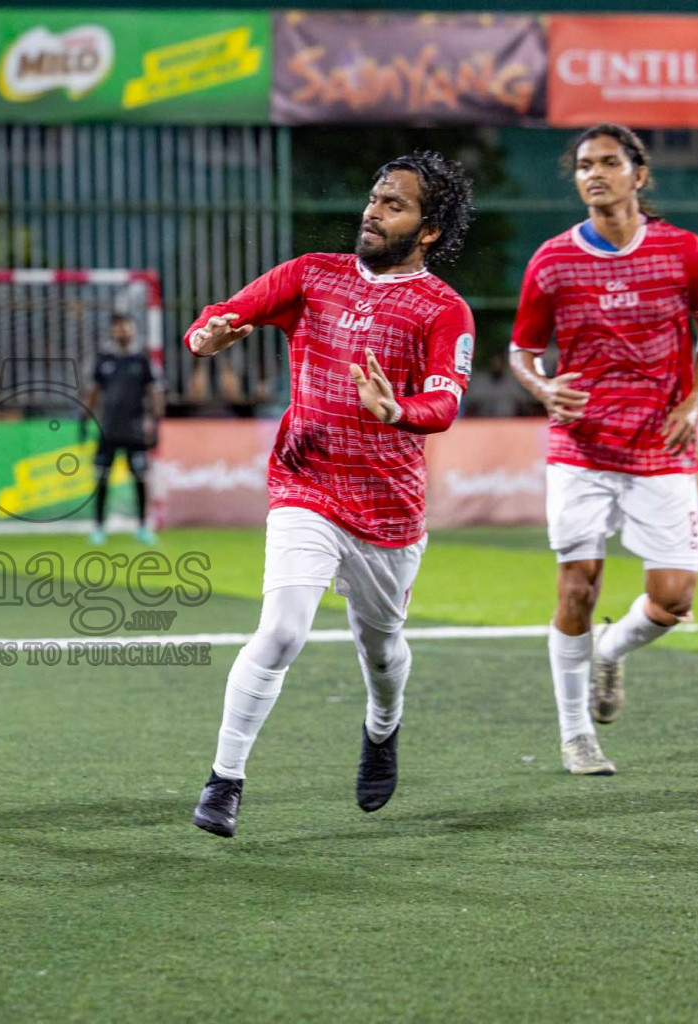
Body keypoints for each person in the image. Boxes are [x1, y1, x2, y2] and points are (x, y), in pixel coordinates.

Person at [186, 151, 476, 837]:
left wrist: (396, 411)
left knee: (380, 652)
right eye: (375, 197)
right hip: (305, 484)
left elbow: (443, 403)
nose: (374, 211)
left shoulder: (445, 310)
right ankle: (225, 780)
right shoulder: (313, 274)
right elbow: (218, 319)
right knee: (281, 630)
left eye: (395, 204)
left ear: (429, 229)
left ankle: (382, 726)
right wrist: (209, 336)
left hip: (387, 511)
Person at [509, 124, 698, 775]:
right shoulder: (551, 261)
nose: (594, 174)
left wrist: (695, 402)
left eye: (609, 162)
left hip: (660, 445)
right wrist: (544, 389)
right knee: (576, 585)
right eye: (584, 165)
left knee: (674, 599)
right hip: (580, 448)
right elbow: (522, 352)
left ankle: (612, 649)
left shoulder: (685, 251)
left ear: (640, 174)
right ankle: (576, 734)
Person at [81, 313, 163, 545]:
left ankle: (142, 527)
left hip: (135, 431)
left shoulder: (142, 359)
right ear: (112, 331)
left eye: (126, 327)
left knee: (139, 478)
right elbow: (93, 392)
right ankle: (98, 528)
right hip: (108, 429)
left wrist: (155, 424)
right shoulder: (103, 359)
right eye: (118, 328)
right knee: (102, 479)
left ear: (133, 330)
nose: (122, 331)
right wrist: (84, 420)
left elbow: (154, 392)